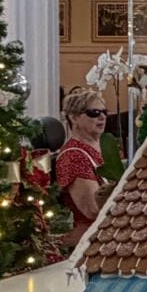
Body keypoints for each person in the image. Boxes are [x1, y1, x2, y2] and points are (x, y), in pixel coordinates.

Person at [56, 83, 110, 242]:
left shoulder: (105, 147)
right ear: (73, 118)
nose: (102, 117)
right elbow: (92, 209)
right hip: (90, 239)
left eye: (104, 112)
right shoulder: (73, 156)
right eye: (94, 113)